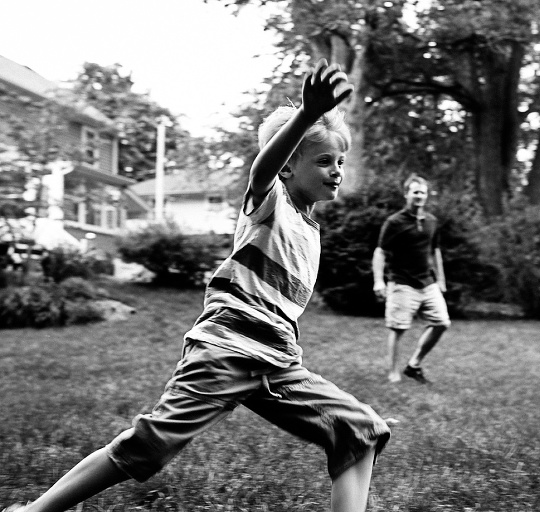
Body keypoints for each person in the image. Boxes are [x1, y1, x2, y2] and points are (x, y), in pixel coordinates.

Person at [3, 59, 390, 512]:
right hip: (224, 351)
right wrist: (306, 115)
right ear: (288, 168)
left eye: (340, 161)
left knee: (361, 430)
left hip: (277, 362)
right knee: (148, 446)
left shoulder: (310, 226)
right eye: (324, 160)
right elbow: (262, 171)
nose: (337, 170)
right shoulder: (271, 204)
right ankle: (35, 511)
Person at [372, 174, 451, 384]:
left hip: (428, 283)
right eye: (415, 192)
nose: (419, 196)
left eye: (423, 192)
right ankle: (393, 372)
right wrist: (379, 280)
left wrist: (441, 280)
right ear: (407, 194)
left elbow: (435, 251)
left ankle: (414, 365)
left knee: (442, 322)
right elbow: (380, 252)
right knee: (398, 329)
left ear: (427, 196)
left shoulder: (431, 221)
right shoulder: (394, 222)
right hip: (402, 283)